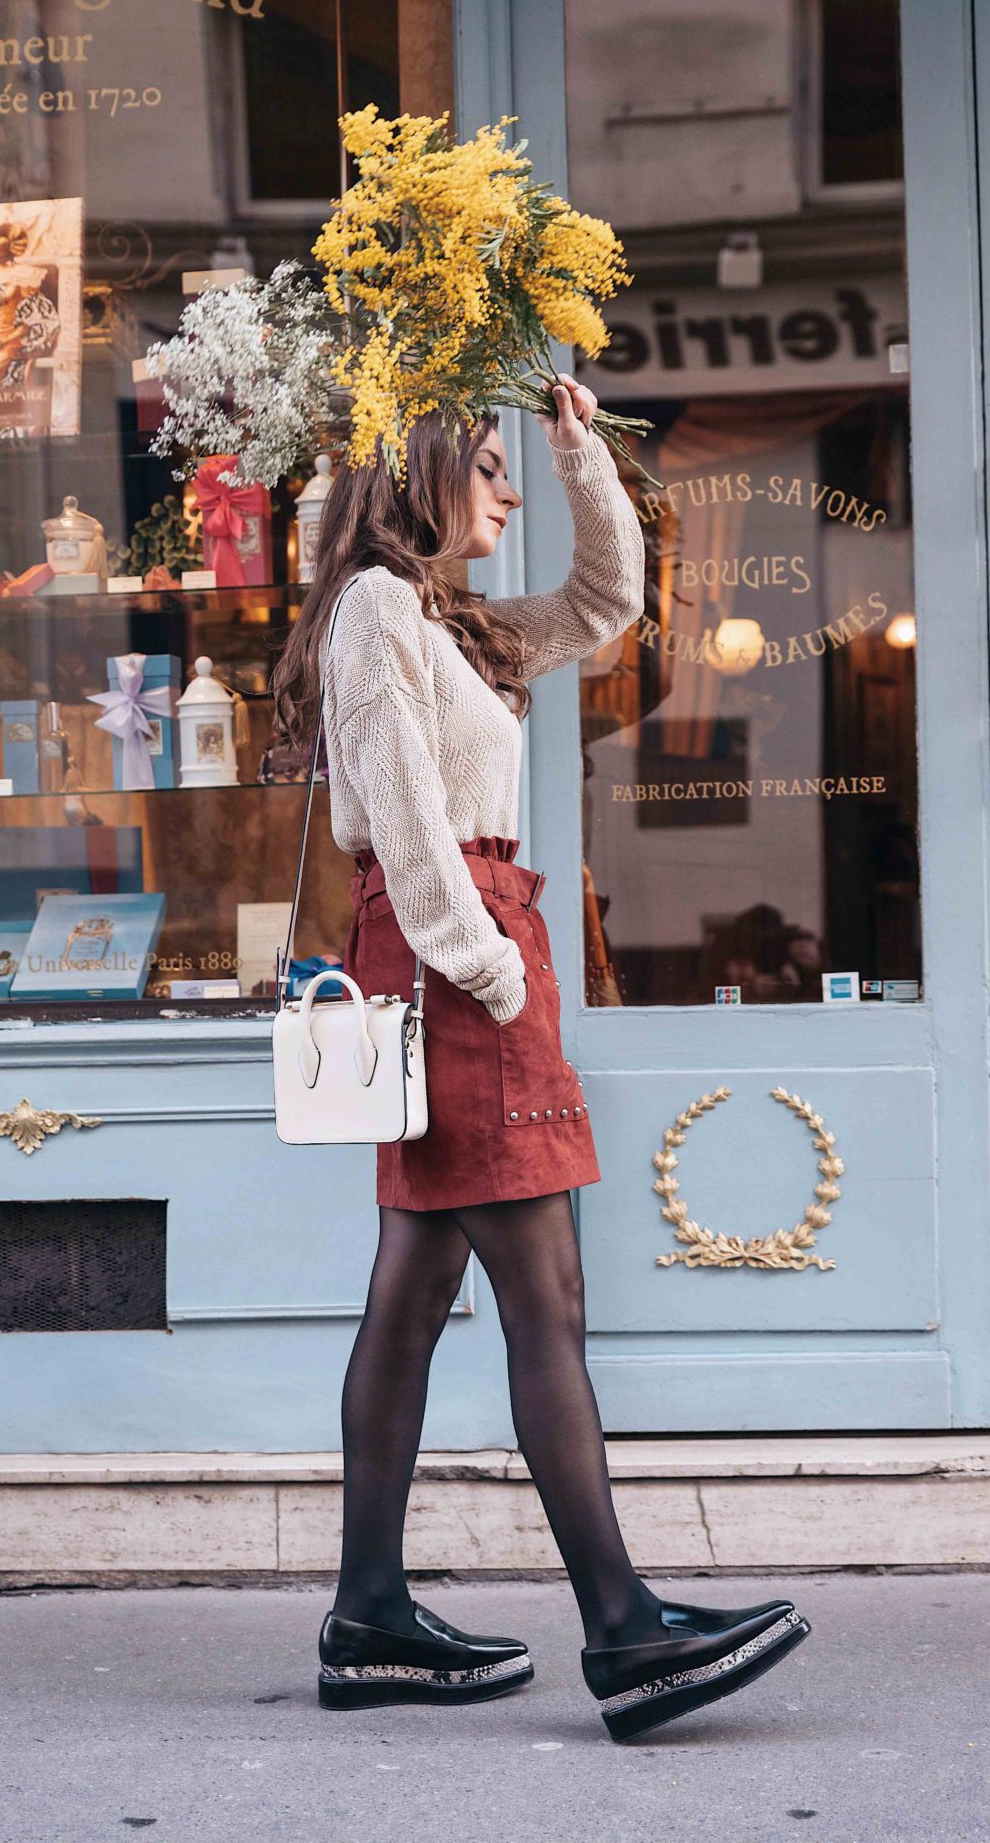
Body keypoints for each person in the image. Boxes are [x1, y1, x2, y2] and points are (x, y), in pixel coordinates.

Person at [272, 377, 809, 1741]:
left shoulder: (445, 614)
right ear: (423, 470)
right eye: (494, 467)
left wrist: (580, 455)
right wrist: (491, 970)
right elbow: (397, 821)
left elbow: (607, 604)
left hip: (468, 944)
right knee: (545, 1299)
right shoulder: (379, 609)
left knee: (415, 1287)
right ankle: (624, 1631)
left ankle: (368, 1615)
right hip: (459, 949)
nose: (506, 493)